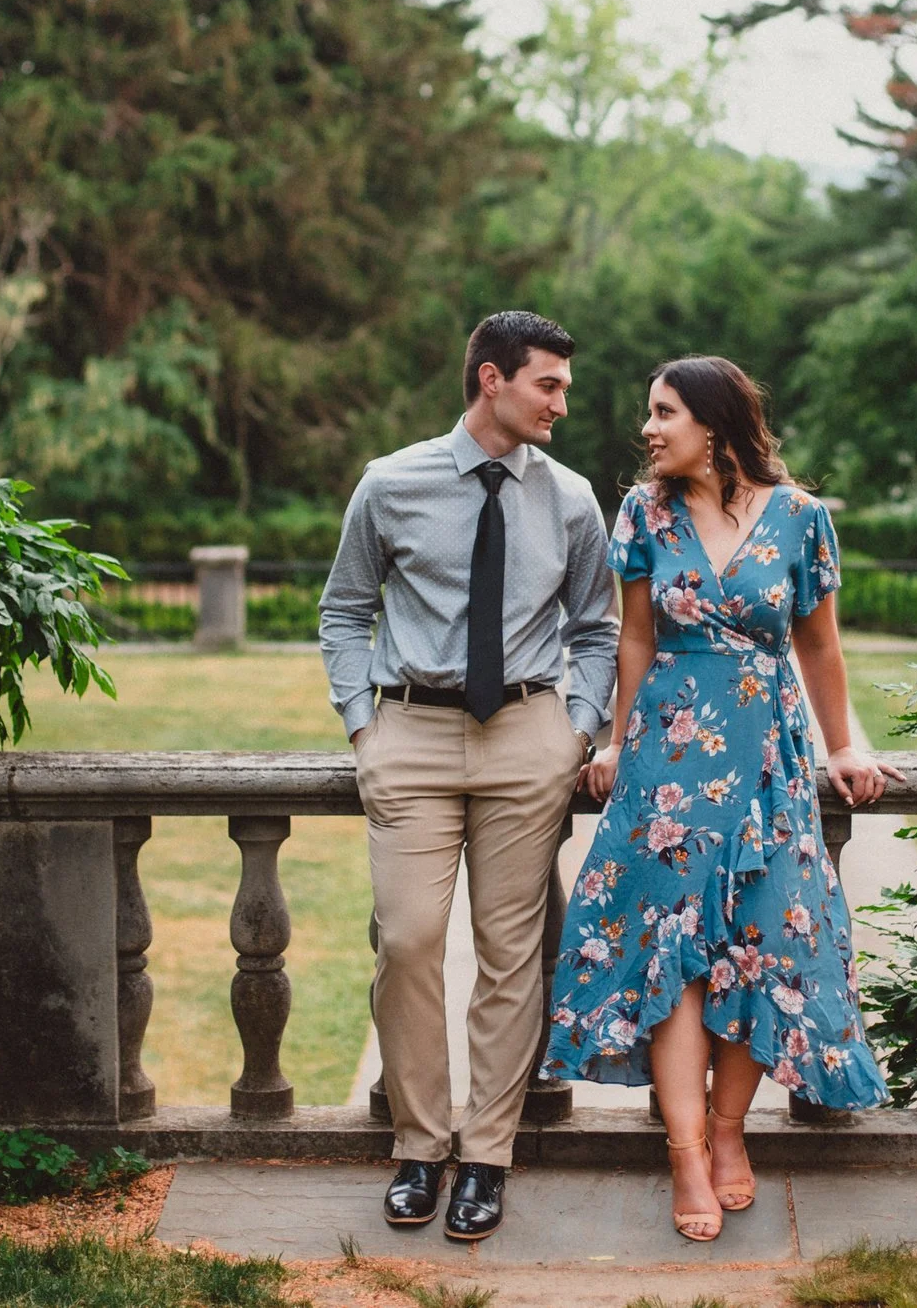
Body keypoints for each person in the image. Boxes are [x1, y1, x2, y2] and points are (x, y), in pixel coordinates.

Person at [541, 354, 903, 1242]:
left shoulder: (801, 517)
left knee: (763, 947)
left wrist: (844, 744)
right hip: (668, 763)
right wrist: (617, 740)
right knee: (675, 958)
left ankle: (731, 1127)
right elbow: (634, 637)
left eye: (664, 412)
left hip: (770, 761)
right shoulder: (644, 512)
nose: (649, 428)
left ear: (714, 423)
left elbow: (819, 644)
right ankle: (688, 1153)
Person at [319, 310, 618, 1242]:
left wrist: (574, 730)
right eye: (548, 384)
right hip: (410, 734)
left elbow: (598, 628)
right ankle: (418, 1145)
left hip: (527, 738)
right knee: (408, 940)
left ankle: (487, 1154)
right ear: (493, 378)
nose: (561, 404)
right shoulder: (390, 483)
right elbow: (344, 611)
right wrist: (365, 727)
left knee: (510, 952)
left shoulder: (571, 499)